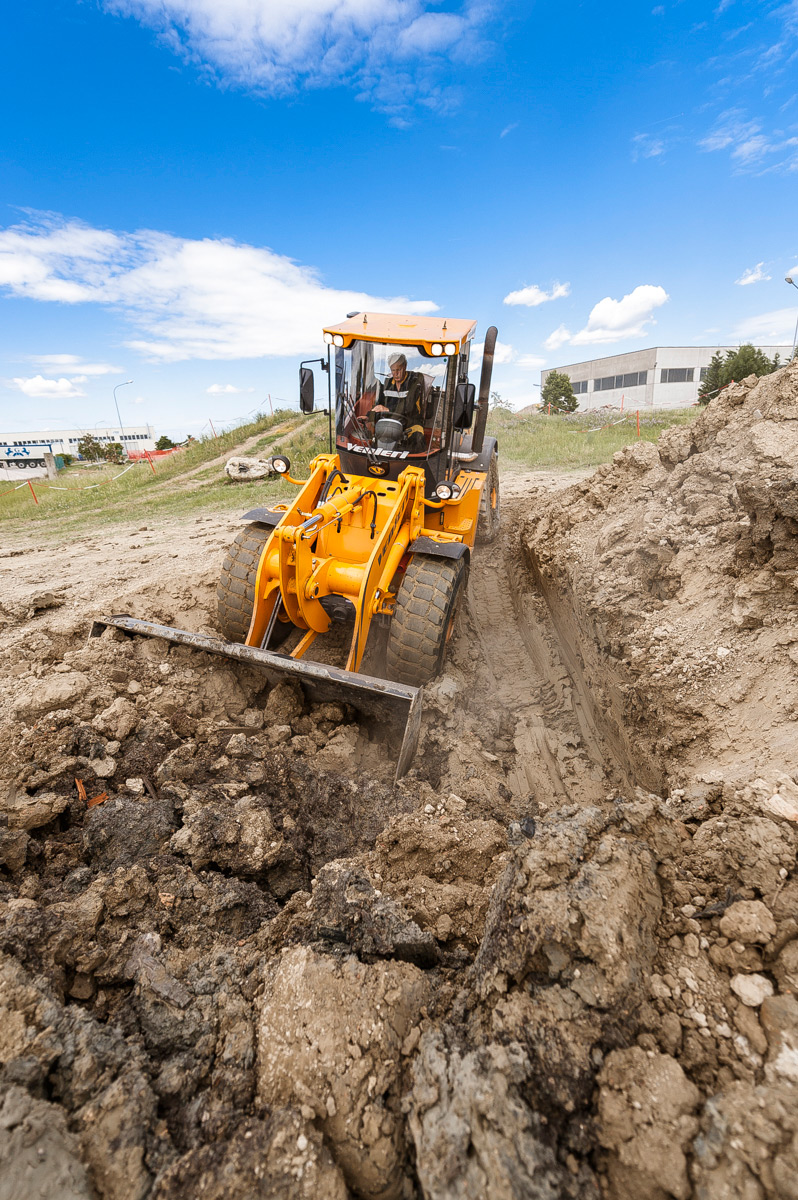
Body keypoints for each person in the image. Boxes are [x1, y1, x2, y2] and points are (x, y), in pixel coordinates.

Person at [370, 353, 426, 451]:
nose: (396, 374)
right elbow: (379, 405)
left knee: (417, 439)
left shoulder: (414, 382)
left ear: (405, 367)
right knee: (372, 440)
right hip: (390, 423)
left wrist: (387, 409)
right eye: (393, 370)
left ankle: (414, 463)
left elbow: (409, 407)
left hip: (411, 423)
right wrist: (368, 416)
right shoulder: (388, 384)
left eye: (398, 370)